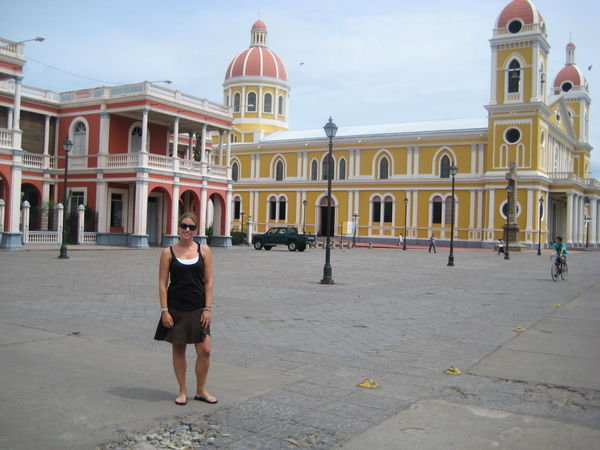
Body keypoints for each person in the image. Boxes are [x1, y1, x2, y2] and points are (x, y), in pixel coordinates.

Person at [154, 212, 218, 406]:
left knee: (205, 350)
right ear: (179, 227)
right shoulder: (168, 252)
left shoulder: (204, 250)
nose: (187, 230)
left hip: (198, 307)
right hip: (176, 308)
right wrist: (164, 310)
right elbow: (162, 283)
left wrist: (208, 308)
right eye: (184, 226)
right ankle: (182, 390)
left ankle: (201, 390)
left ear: (196, 230)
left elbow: (209, 282)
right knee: (179, 349)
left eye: (191, 227)